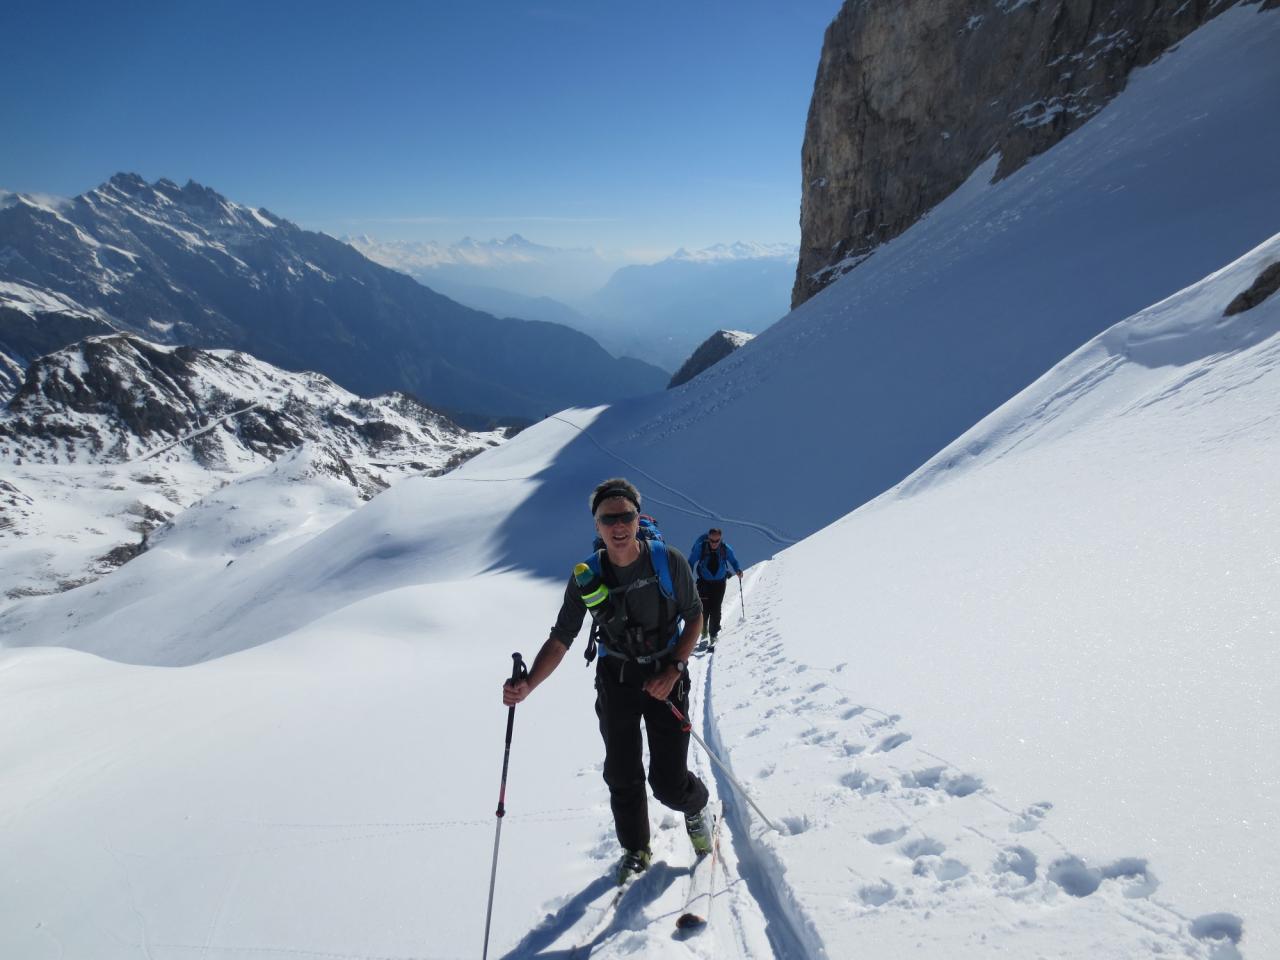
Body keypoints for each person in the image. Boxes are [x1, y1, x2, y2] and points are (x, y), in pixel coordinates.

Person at [501, 478, 713, 884]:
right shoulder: (587, 575)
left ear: (637, 517)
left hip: (665, 675)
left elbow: (695, 615)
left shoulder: (668, 561)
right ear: (596, 525)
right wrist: (529, 686)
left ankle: (695, 805)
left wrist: (674, 670)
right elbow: (562, 637)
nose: (618, 526)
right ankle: (635, 847)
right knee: (621, 773)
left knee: (668, 783)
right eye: (608, 518)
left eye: (626, 516)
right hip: (616, 679)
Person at [688, 528, 743, 651]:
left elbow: (733, 560)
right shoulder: (701, 547)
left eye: (716, 540)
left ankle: (713, 634)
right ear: (708, 538)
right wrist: (688, 575)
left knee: (716, 608)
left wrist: (738, 569)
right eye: (712, 540)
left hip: (719, 583)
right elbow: (691, 561)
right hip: (704, 582)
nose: (714, 543)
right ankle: (703, 632)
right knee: (704, 608)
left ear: (720, 539)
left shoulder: (725, 548)